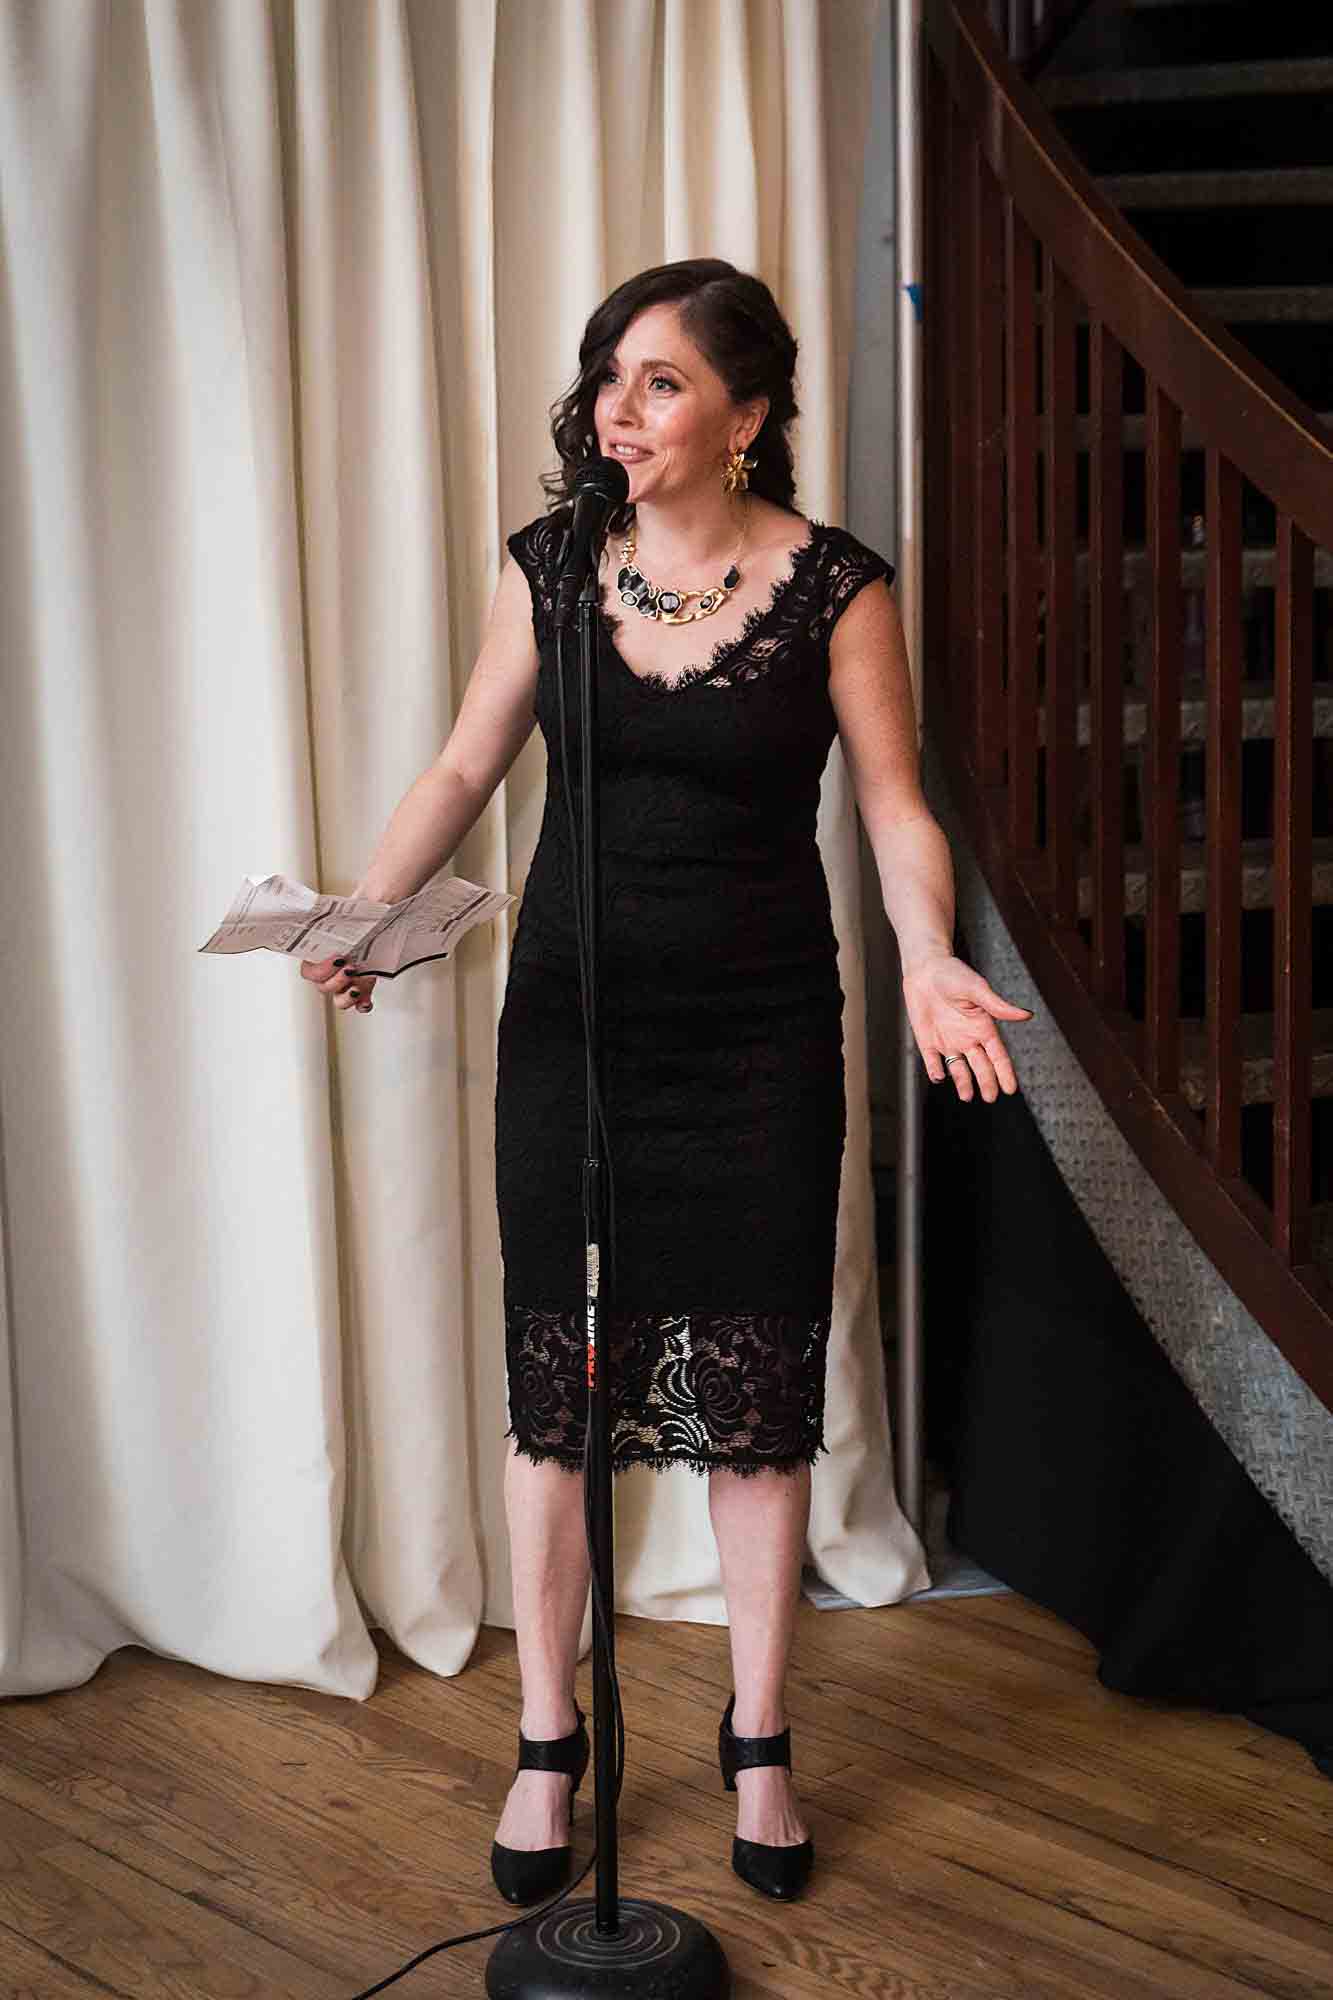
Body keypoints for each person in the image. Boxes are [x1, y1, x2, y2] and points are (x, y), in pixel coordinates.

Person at [302, 257, 1031, 1907]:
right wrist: (367, 916)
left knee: (757, 1407)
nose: (615, 410)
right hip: (571, 1028)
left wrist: (925, 951)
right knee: (557, 1403)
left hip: (759, 1035)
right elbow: (464, 759)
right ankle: (547, 1741)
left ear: (747, 416)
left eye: (657, 382)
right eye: (606, 376)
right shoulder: (554, 563)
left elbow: (897, 802)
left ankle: (759, 1739)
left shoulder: (836, 586)